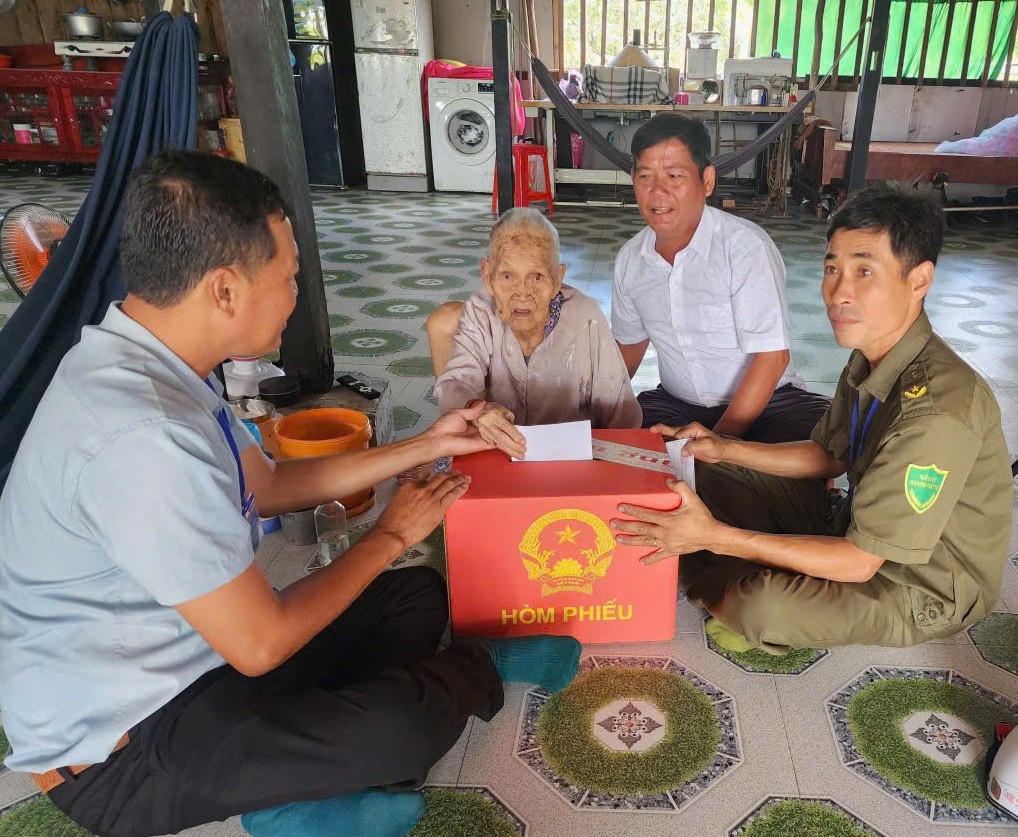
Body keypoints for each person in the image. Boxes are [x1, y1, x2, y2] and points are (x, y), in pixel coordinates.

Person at [0, 150, 579, 837]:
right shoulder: (142, 434)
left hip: (204, 661)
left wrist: (429, 443)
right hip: (125, 747)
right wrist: (391, 533)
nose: (296, 293)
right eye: (289, 276)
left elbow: (271, 484)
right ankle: (466, 675)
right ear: (224, 290)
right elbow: (261, 643)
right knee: (401, 726)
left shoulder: (161, 362)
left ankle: (301, 788)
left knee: (415, 596)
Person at [612, 185, 1013, 654]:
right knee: (698, 466)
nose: (839, 293)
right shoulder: (874, 354)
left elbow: (861, 562)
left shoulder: (937, 411)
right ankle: (743, 564)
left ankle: (733, 577)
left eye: (864, 271)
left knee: (762, 607)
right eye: (832, 269)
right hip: (852, 525)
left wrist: (718, 538)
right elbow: (827, 456)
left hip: (920, 584)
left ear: (919, 279)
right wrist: (723, 448)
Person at [613, 113, 830, 442]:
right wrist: (588, 413)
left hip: (770, 403)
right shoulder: (631, 260)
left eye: (674, 176)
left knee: (825, 441)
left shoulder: (744, 249)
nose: (658, 192)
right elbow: (628, 348)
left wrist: (718, 444)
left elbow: (772, 359)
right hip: (677, 404)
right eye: (645, 177)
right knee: (626, 441)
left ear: (707, 180)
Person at [433, 207, 641, 458]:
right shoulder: (481, 312)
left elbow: (621, 413)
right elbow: (455, 383)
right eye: (507, 276)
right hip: (495, 452)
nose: (522, 293)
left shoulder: (585, 317)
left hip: (570, 457)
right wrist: (477, 409)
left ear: (557, 279)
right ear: (487, 276)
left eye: (537, 277)